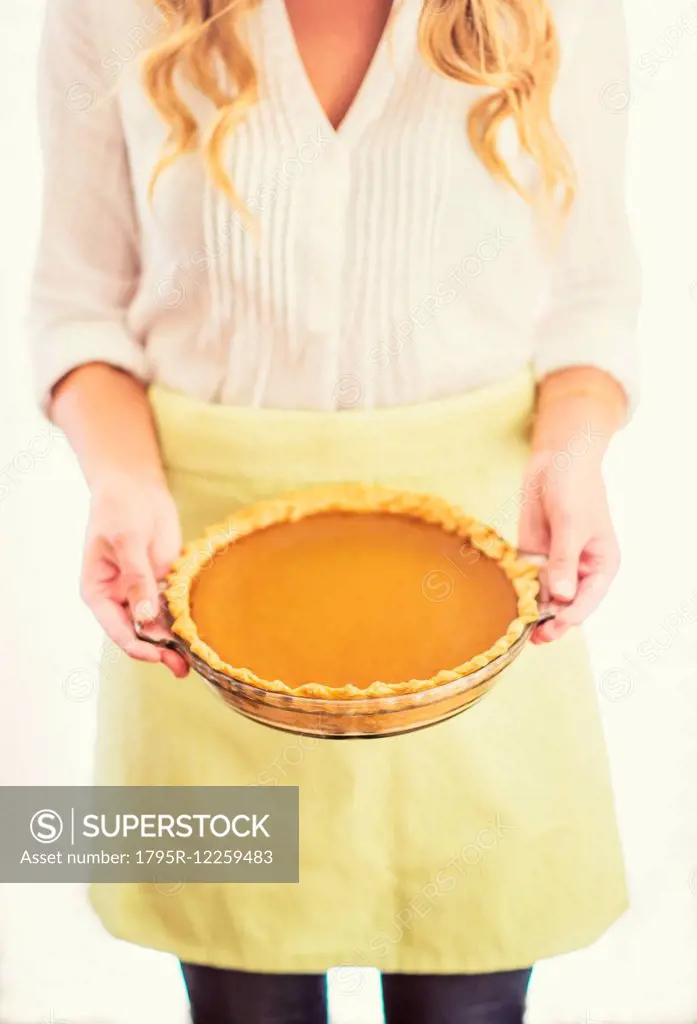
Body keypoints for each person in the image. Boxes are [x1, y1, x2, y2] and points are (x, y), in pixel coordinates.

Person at [28, 0, 640, 1021]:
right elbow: (77, 302)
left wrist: (572, 450)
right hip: (198, 588)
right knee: (242, 1004)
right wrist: (120, 481)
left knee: (470, 993)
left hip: (480, 582)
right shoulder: (106, 11)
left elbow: (590, 299)